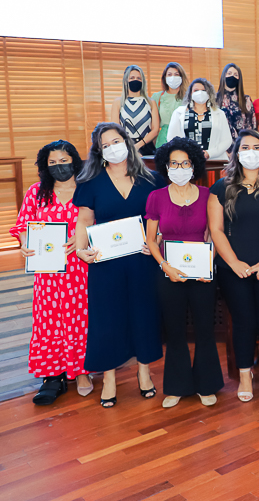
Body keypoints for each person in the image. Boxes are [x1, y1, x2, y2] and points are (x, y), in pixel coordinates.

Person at [73, 123, 167, 407]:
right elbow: (84, 220)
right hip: (106, 262)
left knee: (144, 315)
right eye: (106, 144)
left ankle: (144, 372)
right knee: (107, 320)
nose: (114, 147)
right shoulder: (90, 182)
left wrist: (157, 240)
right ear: (99, 151)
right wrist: (80, 250)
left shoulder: (152, 179)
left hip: (142, 259)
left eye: (117, 141)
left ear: (127, 142)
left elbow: (161, 221)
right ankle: (110, 377)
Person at [208, 130, 259, 403]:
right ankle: (245, 375)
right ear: (236, 153)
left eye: (256, 147)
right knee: (243, 322)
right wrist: (233, 262)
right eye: (245, 147)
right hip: (233, 269)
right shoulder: (221, 187)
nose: (251, 152)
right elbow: (216, 230)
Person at [145, 138, 223, 408]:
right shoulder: (156, 197)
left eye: (185, 163)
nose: (180, 168)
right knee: (175, 330)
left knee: (204, 329)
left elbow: (214, 235)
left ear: (194, 165)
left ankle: (207, 384)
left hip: (202, 273)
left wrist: (208, 264)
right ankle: (177, 386)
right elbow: (152, 240)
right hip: (169, 273)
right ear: (166, 166)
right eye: (174, 163)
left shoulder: (207, 195)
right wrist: (165, 265)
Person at [11, 140, 90, 405]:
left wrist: (82, 240)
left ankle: (81, 372)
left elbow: (100, 223)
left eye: (64, 160)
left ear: (75, 161)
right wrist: (25, 244)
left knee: (82, 319)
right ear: (45, 167)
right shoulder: (36, 193)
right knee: (50, 321)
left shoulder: (87, 190)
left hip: (80, 269)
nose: (59, 166)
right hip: (48, 272)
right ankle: (52, 375)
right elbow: (23, 226)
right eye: (52, 163)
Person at [167, 78, 233, 160]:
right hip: (187, 161)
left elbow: (227, 140)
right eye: (196, 90)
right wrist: (188, 153)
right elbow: (172, 138)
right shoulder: (179, 113)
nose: (200, 93)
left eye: (203, 90)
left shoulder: (219, 113)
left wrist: (209, 153)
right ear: (190, 93)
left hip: (214, 161)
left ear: (209, 93)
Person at [107, 65, 159, 156]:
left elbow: (155, 130)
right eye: (132, 78)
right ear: (126, 81)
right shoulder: (118, 102)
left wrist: (138, 146)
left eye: (139, 78)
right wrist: (130, 148)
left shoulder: (151, 102)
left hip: (147, 147)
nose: (135, 80)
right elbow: (116, 130)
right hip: (125, 147)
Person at [216, 63, 256, 141]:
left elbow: (252, 125)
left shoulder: (246, 99)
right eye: (229, 73)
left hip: (242, 144)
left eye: (235, 75)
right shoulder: (214, 99)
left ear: (239, 78)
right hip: (220, 146)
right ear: (224, 76)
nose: (232, 76)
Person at [153, 62, 188, 147]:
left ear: (182, 77)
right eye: (169, 74)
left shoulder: (188, 97)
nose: (173, 77)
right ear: (165, 78)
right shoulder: (157, 97)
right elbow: (153, 126)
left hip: (183, 140)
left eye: (176, 74)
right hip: (163, 142)